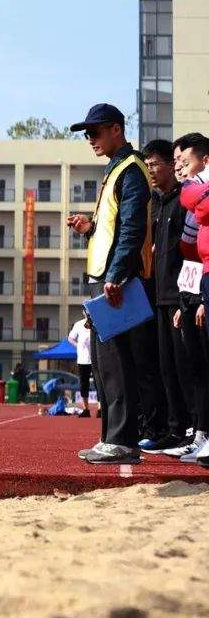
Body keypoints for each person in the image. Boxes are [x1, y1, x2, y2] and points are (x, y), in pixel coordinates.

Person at [67, 103, 150, 465]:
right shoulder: (114, 170)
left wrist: (116, 275)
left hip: (118, 281)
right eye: (87, 134)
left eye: (95, 132)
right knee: (105, 364)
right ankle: (111, 438)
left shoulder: (131, 169)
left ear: (117, 129)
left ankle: (122, 440)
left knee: (117, 363)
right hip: (108, 278)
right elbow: (114, 229)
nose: (90, 140)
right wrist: (91, 229)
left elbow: (132, 229)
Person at [141, 139, 192, 449]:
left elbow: (190, 252)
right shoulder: (156, 204)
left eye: (155, 165)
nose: (151, 171)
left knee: (184, 365)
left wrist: (186, 297)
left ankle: (189, 430)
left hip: (179, 296)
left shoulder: (185, 201)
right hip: (158, 297)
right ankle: (172, 430)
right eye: (147, 167)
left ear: (172, 165)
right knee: (164, 366)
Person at [175, 132, 209, 464]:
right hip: (195, 288)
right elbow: (190, 253)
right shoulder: (189, 194)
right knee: (194, 368)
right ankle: (197, 434)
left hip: (202, 288)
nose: (179, 169)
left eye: (185, 162)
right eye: (176, 163)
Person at [68, 316, 94, 418]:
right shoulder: (78, 324)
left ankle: (101, 409)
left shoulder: (97, 320)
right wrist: (77, 344)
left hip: (96, 358)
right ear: (83, 312)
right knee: (84, 384)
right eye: (85, 311)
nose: (87, 313)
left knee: (99, 384)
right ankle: (85, 409)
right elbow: (70, 337)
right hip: (83, 359)